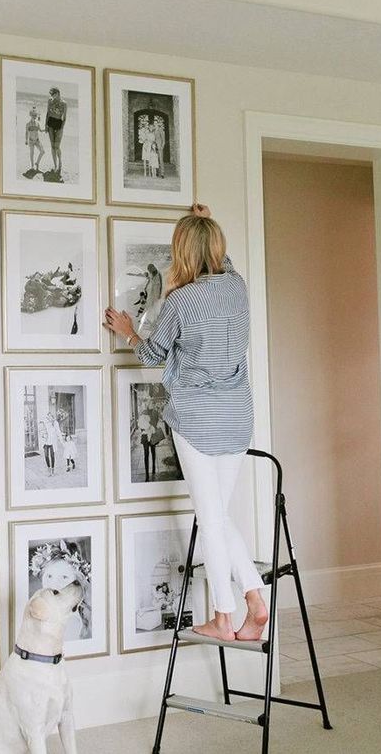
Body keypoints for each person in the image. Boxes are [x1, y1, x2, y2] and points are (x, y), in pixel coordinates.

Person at [103, 203, 268, 643]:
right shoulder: (237, 287)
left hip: (196, 419)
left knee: (210, 518)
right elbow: (221, 266)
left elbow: (153, 354)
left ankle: (223, 615)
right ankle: (255, 598)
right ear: (217, 248)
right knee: (217, 513)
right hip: (237, 419)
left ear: (182, 253)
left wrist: (127, 330)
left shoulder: (181, 301)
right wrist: (207, 222)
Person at [44, 87, 67, 177]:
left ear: (57, 93)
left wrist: (62, 128)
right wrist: (45, 125)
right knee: (52, 146)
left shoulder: (64, 103)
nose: (51, 95)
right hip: (50, 123)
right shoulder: (50, 101)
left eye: (52, 93)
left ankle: (60, 162)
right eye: (51, 94)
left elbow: (64, 117)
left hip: (58, 124)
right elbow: (47, 113)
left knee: (57, 146)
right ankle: (55, 165)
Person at [25, 105, 45, 172]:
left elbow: (41, 130)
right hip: (31, 141)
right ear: (30, 115)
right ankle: (32, 166)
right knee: (32, 153)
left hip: (37, 140)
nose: (34, 117)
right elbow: (26, 133)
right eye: (33, 115)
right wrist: (26, 140)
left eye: (35, 115)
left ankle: (37, 163)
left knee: (42, 151)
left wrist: (46, 129)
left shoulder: (37, 123)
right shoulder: (28, 124)